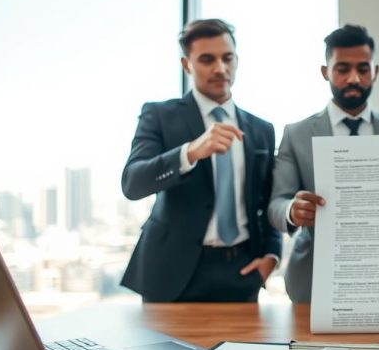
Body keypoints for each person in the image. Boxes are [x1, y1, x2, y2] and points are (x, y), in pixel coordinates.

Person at [120, 19, 281, 302]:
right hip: (172, 273)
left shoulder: (261, 129)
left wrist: (271, 256)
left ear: (237, 61)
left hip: (242, 271)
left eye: (227, 58)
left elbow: (270, 202)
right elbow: (133, 183)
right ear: (187, 65)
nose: (220, 68)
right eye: (207, 59)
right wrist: (190, 152)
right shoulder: (159, 116)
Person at [267, 24, 379, 302]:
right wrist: (293, 210)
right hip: (313, 277)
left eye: (363, 69)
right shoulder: (297, 134)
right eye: (342, 68)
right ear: (325, 71)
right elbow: (276, 203)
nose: (354, 78)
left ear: (375, 72)